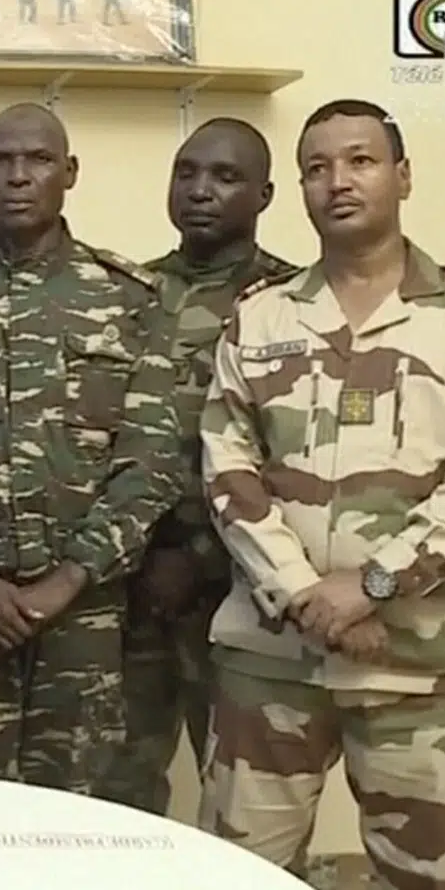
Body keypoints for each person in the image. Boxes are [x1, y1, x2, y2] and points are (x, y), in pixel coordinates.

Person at [200, 99, 445, 890]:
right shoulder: (260, 315)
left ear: (403, 176)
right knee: (235, 876)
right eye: (316, 168)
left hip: (419, 663)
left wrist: (373, 586)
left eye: (360, 160)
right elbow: (227, 467)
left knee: (425, 883)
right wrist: (306, 595)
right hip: (272, 658)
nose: (337, 182)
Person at [0, 103, 182, 798]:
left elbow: (151, 458)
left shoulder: (130, 299)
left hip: (87, 614)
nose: (19, 177)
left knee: (82, 811)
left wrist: (67, 581)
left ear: (69, 173)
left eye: (38, 160)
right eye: (2, 162)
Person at [101, 119, 296, 815]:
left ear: (265, 194)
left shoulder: (293, 306)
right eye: (186, 173)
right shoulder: (129, 294)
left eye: (225, 177)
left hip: (241, 595)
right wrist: (144, 553)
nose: (200, 191)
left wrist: (199, 556)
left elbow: (294, 461)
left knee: (245, 799)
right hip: (130, 588)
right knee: (117, 792)